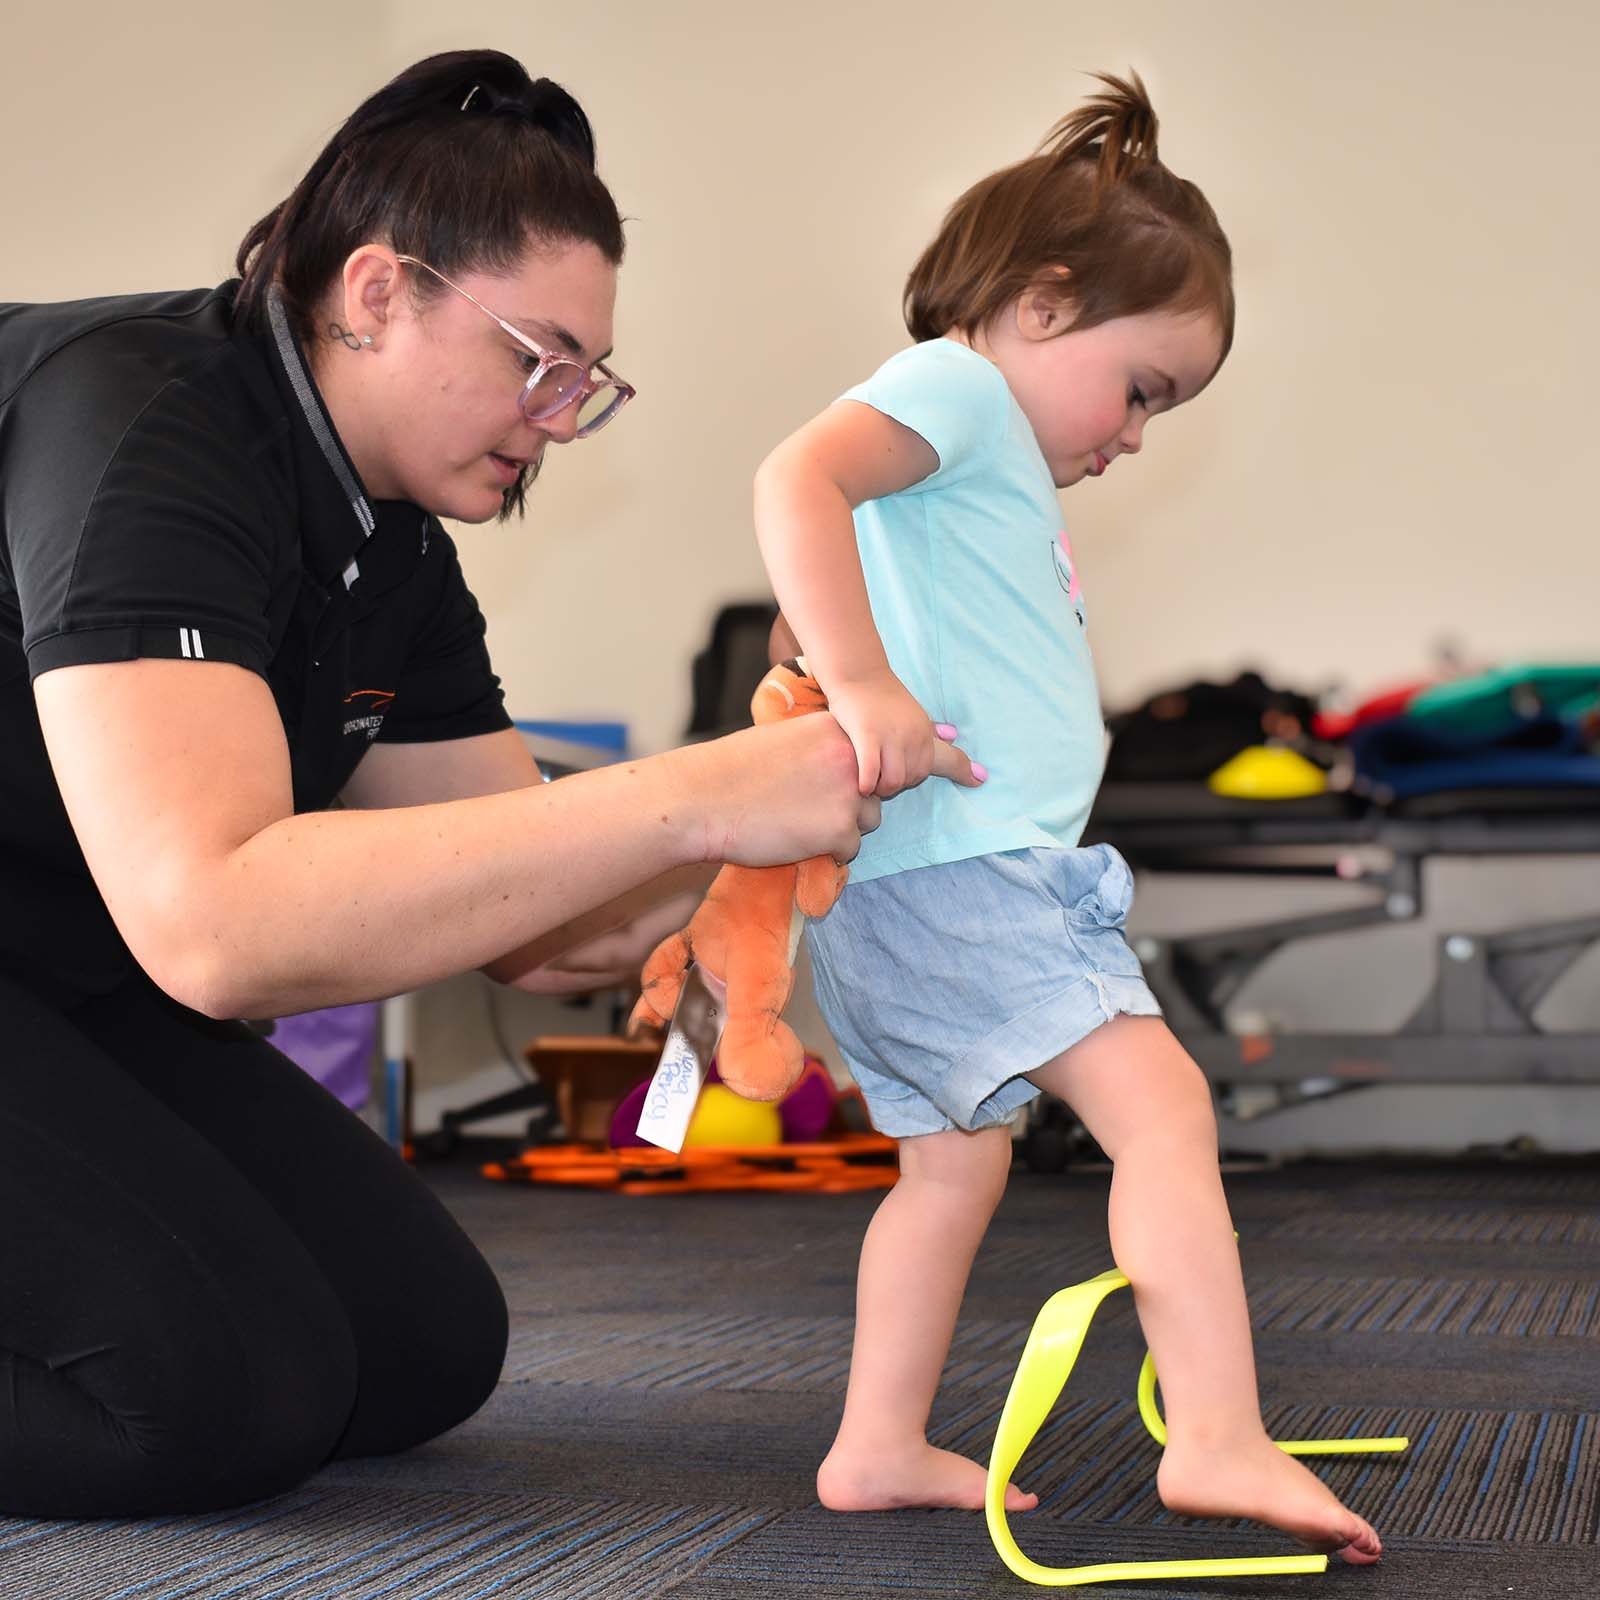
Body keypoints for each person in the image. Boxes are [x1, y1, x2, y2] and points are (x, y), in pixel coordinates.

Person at [0, 48, 981, 1520]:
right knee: (197, 1400)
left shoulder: (395, 548)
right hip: (102, 959)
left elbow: (530, 916)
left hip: (59, 972)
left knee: (417, 1351)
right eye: (543, 360)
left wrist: (779, 840)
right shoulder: (150, 427)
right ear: (380, 291)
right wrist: (702, 796)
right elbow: (216, 929)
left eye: (590, 377)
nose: (561, 415)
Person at [754, 73, 1382, 1561]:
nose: (1139, 436)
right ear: (1042, 306)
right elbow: (795, 477)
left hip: (910, 887)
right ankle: (1217, 1437)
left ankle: (875, 1438)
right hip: (973, 873)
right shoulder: (959, 389)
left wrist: (852, 664)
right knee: (1163, 1108)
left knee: (951, 1168)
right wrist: (851, 679)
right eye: (1143, 389)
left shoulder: (974, 448)